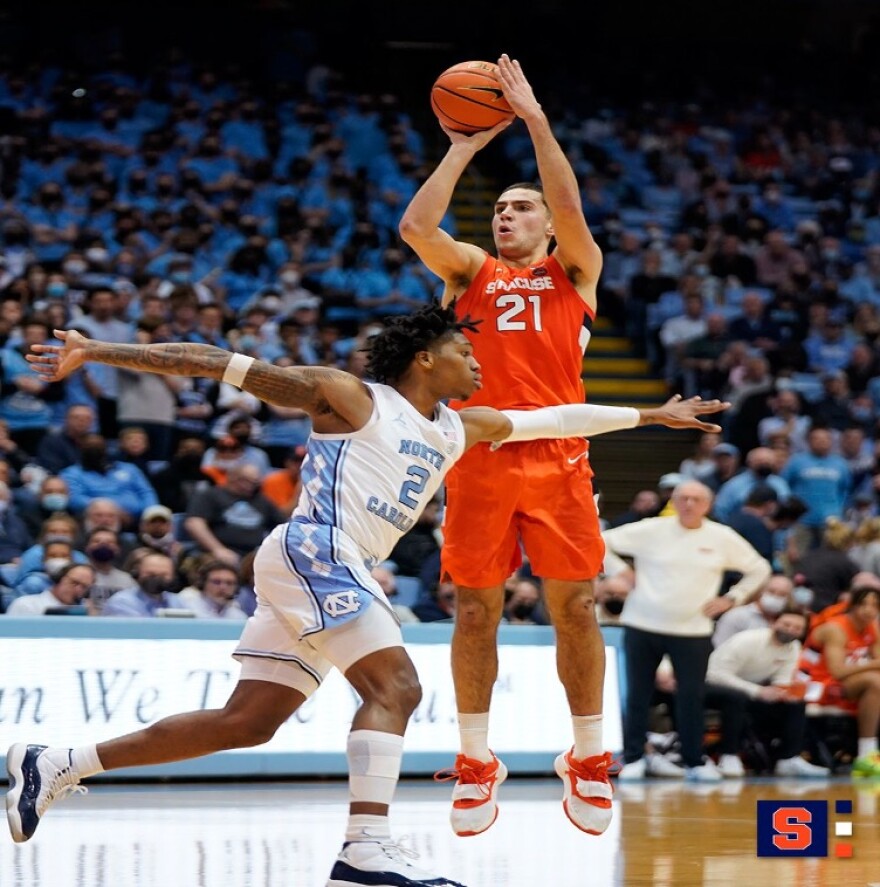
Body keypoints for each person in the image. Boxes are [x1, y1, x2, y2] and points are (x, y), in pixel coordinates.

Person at [10, 307, 724, 887]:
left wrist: (652, 417)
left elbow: (558, 420)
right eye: (462, 351)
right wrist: (95, 349)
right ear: (425, 359)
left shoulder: (457, 426)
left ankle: (59, 760)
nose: (478, 364)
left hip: (322, 566)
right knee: (399, 684)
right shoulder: (350, 397)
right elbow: (211, 361)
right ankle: (366, 846)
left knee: (248, 722)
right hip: (314, 548)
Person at [399, 54, 618, 837]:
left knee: (578, 606)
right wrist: (462, 144)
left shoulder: (576, 272)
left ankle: (589, 757)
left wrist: (535, 122)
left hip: (559, 459)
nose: (507, 215)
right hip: (482, 459)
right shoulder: (470, 272)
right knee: (474, 613)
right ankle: (474, 760)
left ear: (551, 226)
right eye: (501, 209)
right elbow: (416, 227)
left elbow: (567, 198)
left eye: (522, 208)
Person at [602, 481, 772, 782]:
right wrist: (620, 571)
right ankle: (634, 758)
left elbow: (759, 568)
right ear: (674, 501)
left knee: (691, 696)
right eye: (683, 498)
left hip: (693, 629)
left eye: (696, 499)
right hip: (643, 623)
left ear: (708, 505)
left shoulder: (721, 537)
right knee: (637, 695)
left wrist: (732, 598)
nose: (689, 504)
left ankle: (695, 760)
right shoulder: (651, 529)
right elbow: (598, 542)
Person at [705, 608, 828, 778]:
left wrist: (785, 693)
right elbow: (714, 674)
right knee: (735, 698)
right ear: (774, 623)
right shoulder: (748, 640)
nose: (791, 629)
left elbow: (782, 682)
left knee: (794, 703)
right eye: (787, 624)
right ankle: (729, 755)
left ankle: (788, 758)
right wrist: (758, 691)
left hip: (749, 692)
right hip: (710, 686)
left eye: (797, 628)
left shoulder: (793, 648)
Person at [797, 586, 880, 777]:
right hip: (814, 684)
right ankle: (866, 755)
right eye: (864, 604)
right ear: (852, 605)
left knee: (876, 681)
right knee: (875, 682)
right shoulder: (835, 628)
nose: (869, 610)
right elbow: (838, 671)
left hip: (846, 682)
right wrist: (873, 663)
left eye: (875, 606)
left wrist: (874, 663)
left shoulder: (871, 627)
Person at [5, 562, 95, 615]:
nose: (78, 589)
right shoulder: (26, 604)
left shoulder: (85, 612)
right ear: (59, 578)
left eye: (84, 587)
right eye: (74, 583)